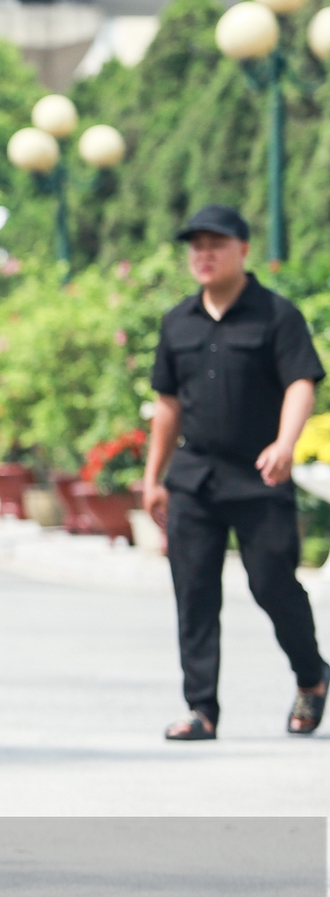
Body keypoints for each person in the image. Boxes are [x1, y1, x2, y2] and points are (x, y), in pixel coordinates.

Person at [141, 204, 327, 741]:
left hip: (259, 475)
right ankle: (202, 709)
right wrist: (155, 476)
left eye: (215, 244)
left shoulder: (276, 314)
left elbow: (300, 382)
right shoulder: (178, 320)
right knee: (194, 591)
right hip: (194, 477)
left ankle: (312, 679)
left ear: (243, 250)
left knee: (273, 584)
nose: (204, 254)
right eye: (195, 245)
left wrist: (285, 443)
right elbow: (168, 404)